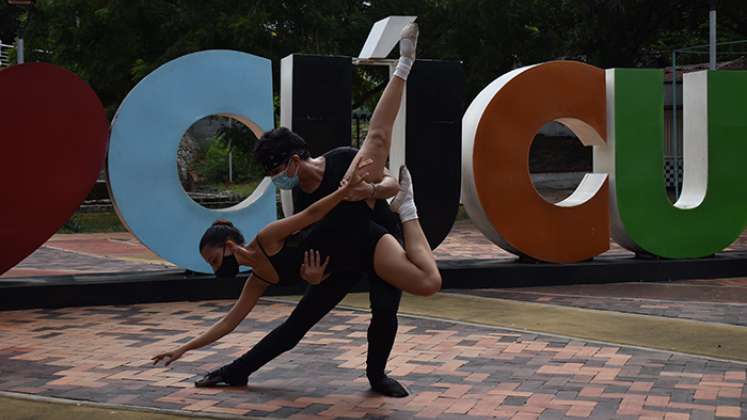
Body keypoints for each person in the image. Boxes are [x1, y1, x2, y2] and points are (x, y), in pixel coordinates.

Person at [152, 23, 438, 397]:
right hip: (335, 261)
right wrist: (183, 349)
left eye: (214, 257)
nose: (274, 179)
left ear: (293, 159)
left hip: (370, 234)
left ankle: (404, 65)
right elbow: (231, 320)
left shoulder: (335, 165)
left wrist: (358, 190)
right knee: (294, 326)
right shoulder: (265, 261)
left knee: (389, 305)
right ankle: (235, 371)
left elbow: (365, 193)